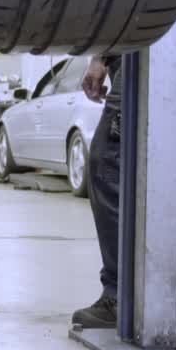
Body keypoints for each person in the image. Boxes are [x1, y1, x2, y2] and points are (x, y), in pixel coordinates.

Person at [72, 54, 123, 329]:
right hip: (160, 54)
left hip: (140, 57)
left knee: (107, 166)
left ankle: (119, 296)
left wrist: (101, 56)